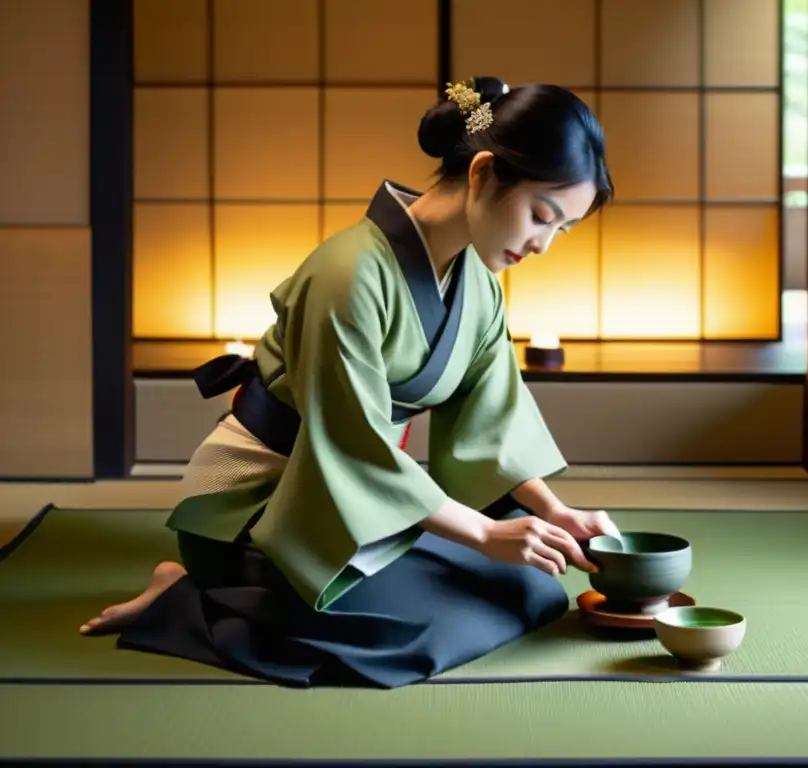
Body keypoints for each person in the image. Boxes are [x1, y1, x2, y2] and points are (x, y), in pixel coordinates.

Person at [80, 75, 617, 689]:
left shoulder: (480, 286)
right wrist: (487, 531)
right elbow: (350, 443)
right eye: (541, 216)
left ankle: (230, 590)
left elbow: (490, 421)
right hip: (266, 502)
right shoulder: (346, 274)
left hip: (360, 498)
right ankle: (192, 589)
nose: (544, 244)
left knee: (530, 588)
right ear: (483, 174)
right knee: (427, 632)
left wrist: (555, 511)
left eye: (562, 230)